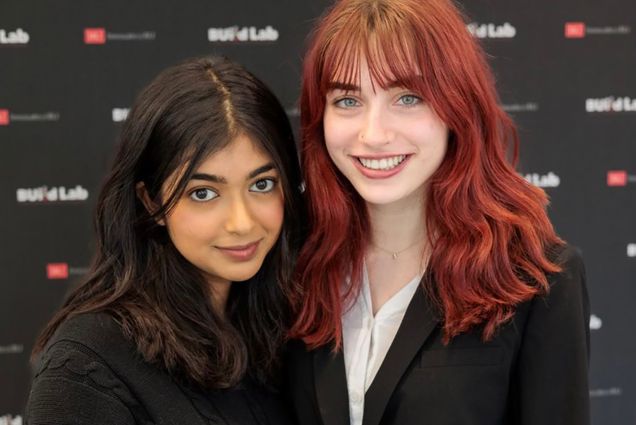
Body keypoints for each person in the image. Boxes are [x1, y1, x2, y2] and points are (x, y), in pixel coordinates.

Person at [286, 1, 590, 424]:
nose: (373, 134)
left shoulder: (534, 280)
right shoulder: (297, 264)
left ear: (458, 107)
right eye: (348, 100)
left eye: (408, 97)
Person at [26, 56, 304, 425]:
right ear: (151, 202)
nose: (242, 222)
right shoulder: (86, 365)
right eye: (204, 193)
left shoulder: (279, 338)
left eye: (261, 185)